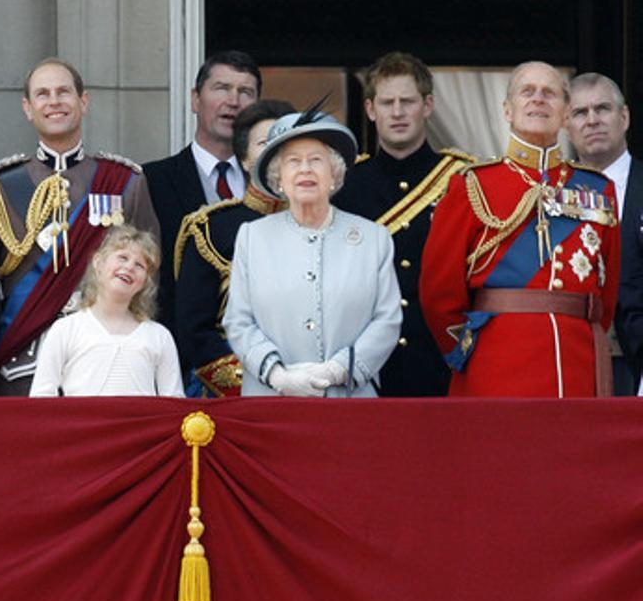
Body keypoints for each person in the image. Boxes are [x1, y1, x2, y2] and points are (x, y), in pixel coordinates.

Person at [420, 62, 619, 397]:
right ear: (507, 110)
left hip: (577, 367)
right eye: (527, 91)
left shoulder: (598, 190)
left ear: (566, 113)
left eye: (549, 93)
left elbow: (606, 293)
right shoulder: (472, 185)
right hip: (495, 368)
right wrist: (470, 352)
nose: (538, 99)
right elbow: (438, 293)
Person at [0, 57, 160, 396]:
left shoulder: (124, 181)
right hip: (23, 358)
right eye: (42, 94)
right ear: (28, 108)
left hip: (105, 355)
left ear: (83, 102)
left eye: (63, 92)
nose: (54, 101)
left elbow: (149, 271)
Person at [222, 105, 402, 397]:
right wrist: (278, 376)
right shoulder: (252, 237)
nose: (305, 169)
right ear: (278, 177)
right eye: (293, 161)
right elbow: (239, 321)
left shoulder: (374, 239)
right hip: (272, 402)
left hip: (349, 402)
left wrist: (338, 370)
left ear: (334, 174)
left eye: (316, 160)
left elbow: (387, 320)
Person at [333, 52, 472, 397]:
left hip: (441, 360)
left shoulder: (461, 179)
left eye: (407, 102)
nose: (397, 112)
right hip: (368, 365)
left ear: (427, 106)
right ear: (370, 110)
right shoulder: (345, 186)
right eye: (387, 102)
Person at [172, 99, 293, 396]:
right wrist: (260, 386)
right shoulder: (211, 228)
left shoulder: (324, 225)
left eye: (285, 143)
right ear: (245, 160)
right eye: (265, 143)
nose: (276, 154)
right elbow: (195, 329)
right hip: (234, 397)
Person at [144, 51, 262, 343]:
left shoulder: (271, 186)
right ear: (195, 100)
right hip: (177, 355)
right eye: (221, 88)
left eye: (245, 92)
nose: (233, 101)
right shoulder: (150, 181)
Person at [30, 225, 182, 397]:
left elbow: (174, 401)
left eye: (139, 265)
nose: (130, 267)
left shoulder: (159, 336)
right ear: (98, 263)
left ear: (145, 282)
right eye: (122, 257)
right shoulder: (65, 329)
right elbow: (41, 396)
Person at [567, 73, 643, 395]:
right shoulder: (547, 194)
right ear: (566, 126)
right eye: (580, 113)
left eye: (602, 109)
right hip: (571, 362)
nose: (592, 120)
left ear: (624, 117)